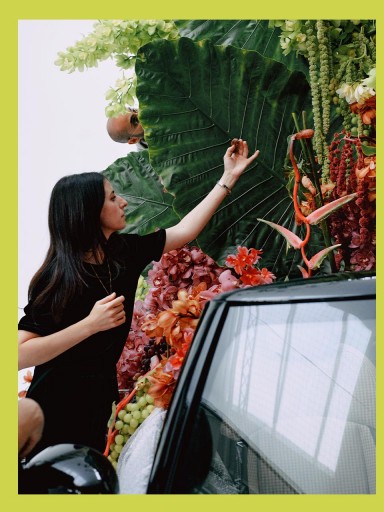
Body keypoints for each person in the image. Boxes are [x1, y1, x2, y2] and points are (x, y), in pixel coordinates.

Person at [18, 139, 259, 457]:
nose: (123, 203)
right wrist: (89, 325)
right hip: (54, 409)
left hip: (97, 404)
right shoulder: (57, 278)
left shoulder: (122, 252)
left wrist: (228, 177)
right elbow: (19, 356)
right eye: (112, 197)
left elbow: (184, 231)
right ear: (90, 212)